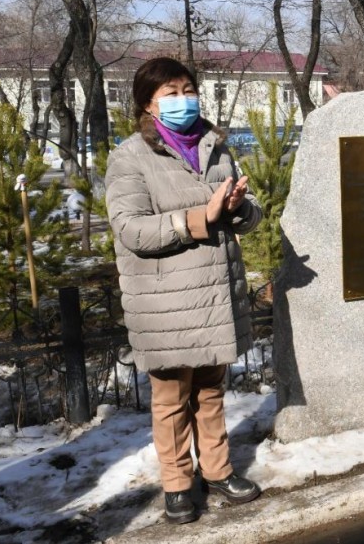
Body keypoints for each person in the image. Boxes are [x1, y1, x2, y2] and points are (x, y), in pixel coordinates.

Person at [105, 57, 263, 523]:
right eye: (169, 93)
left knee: (211, 392)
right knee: (172, 399)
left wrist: (236, 209)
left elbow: (246, 215)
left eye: (187, 89)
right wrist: (201, 218)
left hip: (214, 297)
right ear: (148, 105)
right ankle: (177, 484)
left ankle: (217, 470)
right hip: (167, 303)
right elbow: (132, 230)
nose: (182, 100)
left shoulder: (214, 147)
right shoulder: (130, 157)